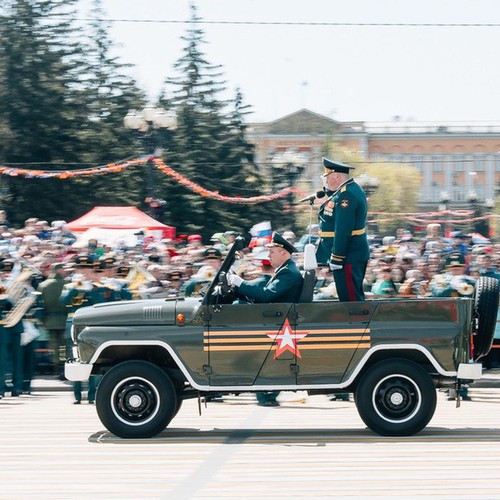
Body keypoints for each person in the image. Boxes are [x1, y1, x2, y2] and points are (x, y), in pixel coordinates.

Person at [316, 157, 369, 302]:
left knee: (350, 299)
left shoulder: (347, 195)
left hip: (348, 254)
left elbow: (343, 229)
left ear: (337, 176)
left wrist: (337, 256)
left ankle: (357, 324)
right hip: (349, 253)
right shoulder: (346, 190)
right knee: (349, 296)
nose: (325, 181)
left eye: (327, 177)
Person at [228, 232, 303, 303]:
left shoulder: (287, 272)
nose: (268, 255)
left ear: (283, 253)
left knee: (236, 305)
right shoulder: (286, 268)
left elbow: (266, 295)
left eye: (272, 252)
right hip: (275, 312)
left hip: (278, 314)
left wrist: (241, 283)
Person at [37, 263, 68, 378]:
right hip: (65, 318)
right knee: (64, 345)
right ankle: (63, 369)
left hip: (49, 319)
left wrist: (42, 319)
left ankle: (56, 368)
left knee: (53, 345)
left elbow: (40, 304)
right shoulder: (67, 284)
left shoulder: (43, 285)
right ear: (60, 270)